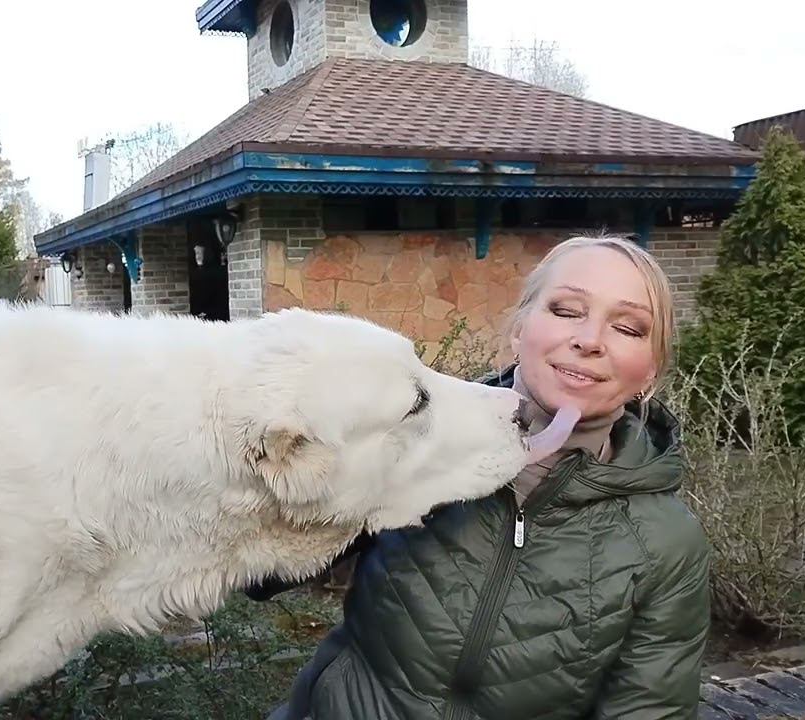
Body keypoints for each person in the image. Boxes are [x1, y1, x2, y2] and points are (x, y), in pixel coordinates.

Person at [251, 235, 711, 720]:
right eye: (567, 309)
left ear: (650, 373)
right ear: (519, 330)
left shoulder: (667, 543)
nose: (590, 340)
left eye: (627, 326)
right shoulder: (415, 434)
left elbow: (649, 710)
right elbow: (260, 571)